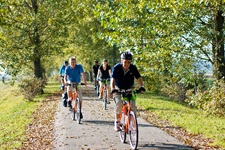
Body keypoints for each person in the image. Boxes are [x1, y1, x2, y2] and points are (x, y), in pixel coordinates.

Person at [111, 52, 146, 131]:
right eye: (125, 62)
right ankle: (117, 122)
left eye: (129, 62)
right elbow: (113, 79)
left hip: (130, 88)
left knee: (133, 106)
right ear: (121, 60)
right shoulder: (117, 68)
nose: (126, 64)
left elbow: (139, 77)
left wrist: (142, 87)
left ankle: (132, 122)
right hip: (118, 88)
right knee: (119, 104)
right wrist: (113, 88)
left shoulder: (133, 68)